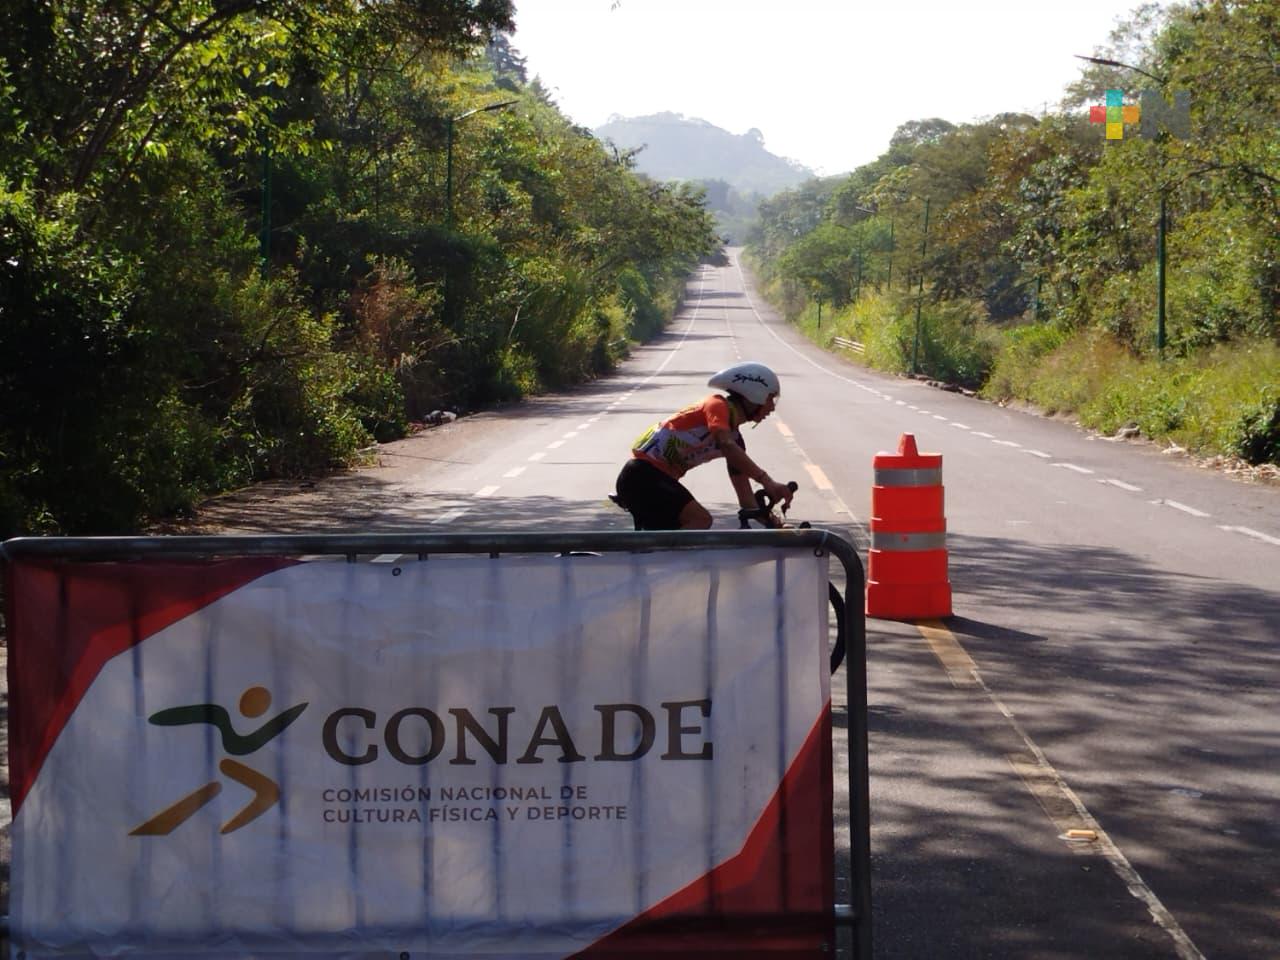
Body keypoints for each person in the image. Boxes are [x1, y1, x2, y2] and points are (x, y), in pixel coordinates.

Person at [613, 361, 794, 530]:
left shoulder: (735, 440)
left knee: (674, 535)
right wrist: (767, 481)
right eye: (770, 399)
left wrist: (774, 524)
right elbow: (726, 445)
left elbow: (746, 499)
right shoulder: (717, 405)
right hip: (641, 474)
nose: (772, 408)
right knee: (700, 520)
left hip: (658, 481)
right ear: (754, 393)